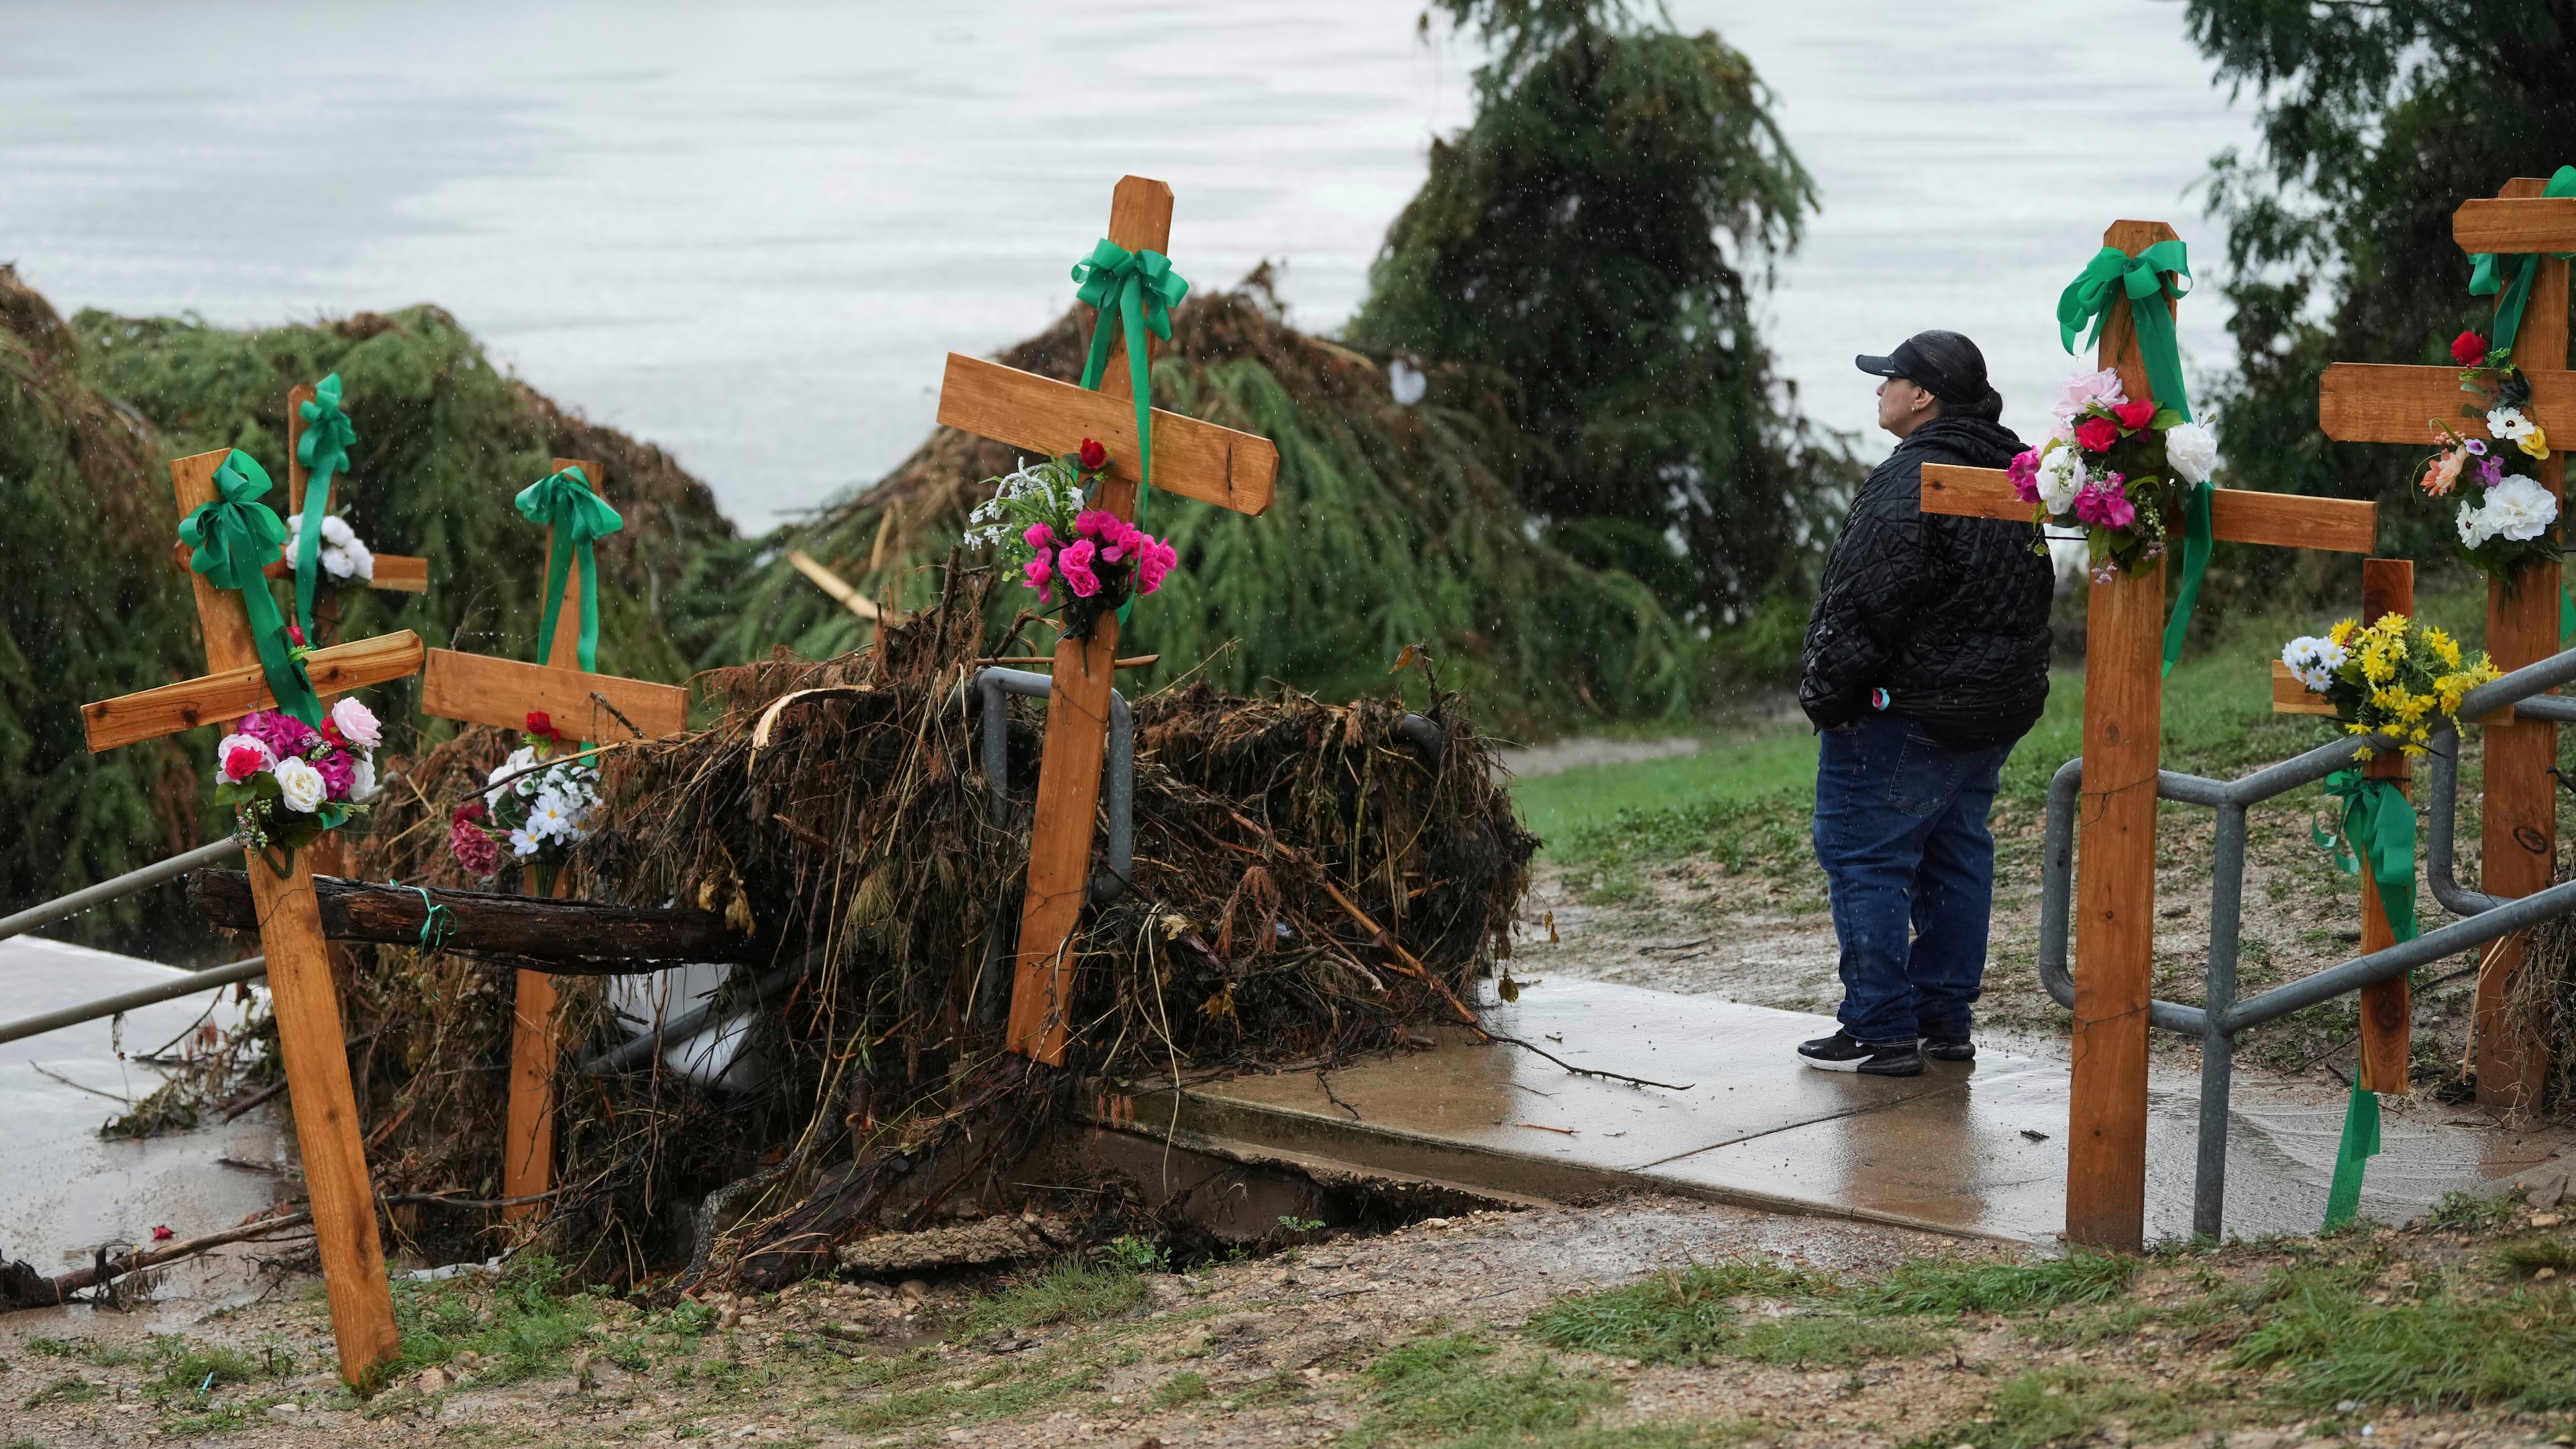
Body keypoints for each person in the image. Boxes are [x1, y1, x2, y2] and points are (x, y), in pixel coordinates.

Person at [1794, 331, 2053, 1077]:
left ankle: (1880, 1027)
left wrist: (1828, 696)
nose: (1879, 391)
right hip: (1990, 713)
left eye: (1890, 380)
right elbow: (2032, 594)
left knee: (1865, 855)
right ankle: (1943, 1020)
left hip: (1905, 713)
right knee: (1955, 858)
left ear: (1924, 395)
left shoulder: (1913, 478)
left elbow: (1862, 601)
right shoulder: (2014, 472)